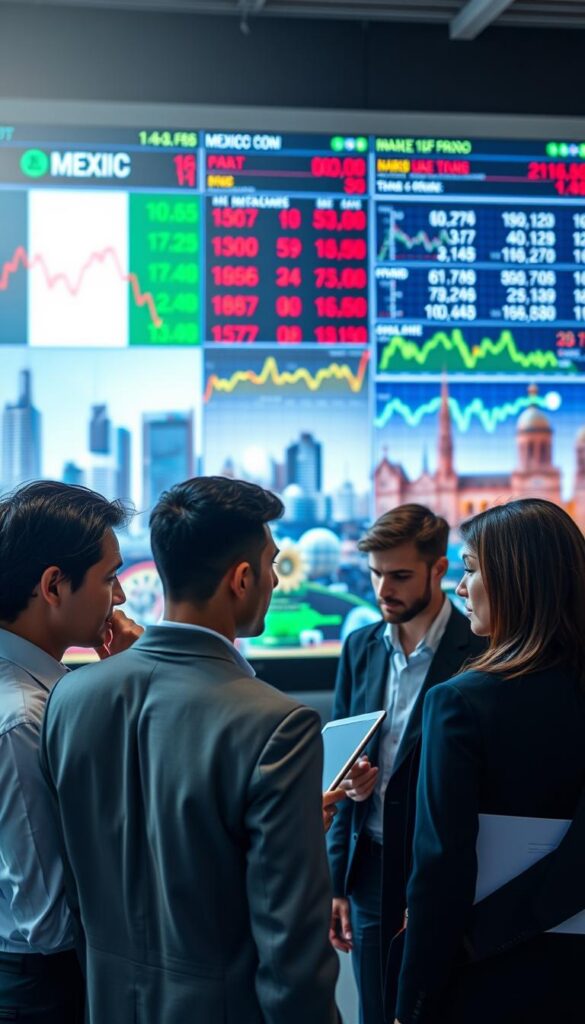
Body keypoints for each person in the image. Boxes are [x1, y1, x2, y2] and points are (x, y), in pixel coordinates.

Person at [40, 476, 340, 1024]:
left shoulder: (70, 695)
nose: (275, 578)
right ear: (242, 578)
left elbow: (79, 898)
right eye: (271, 564)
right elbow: (292, 954)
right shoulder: (278, 725)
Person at [394, 498, 585, 1024]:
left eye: (470, 569)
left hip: (489, 975)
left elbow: (440, 871)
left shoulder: (461, 702)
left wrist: (411, 1004)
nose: (458, 588)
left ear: (517, 579)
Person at [327, 503, 484, 1024]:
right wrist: (336, 883)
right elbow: (342, 764)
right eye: (374, 574)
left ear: (440, 570)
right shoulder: (359, 647)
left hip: (444, 867)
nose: (381, 590)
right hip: (369, 864)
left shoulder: (479, 649)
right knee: (375, 1010)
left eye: (399, 575)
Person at [0, 480, 142, 1024]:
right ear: (54, 586)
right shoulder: (23, 717)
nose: (121, 597)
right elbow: (46, 920)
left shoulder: (44, 694)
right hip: (42, 987)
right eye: (110, 579)